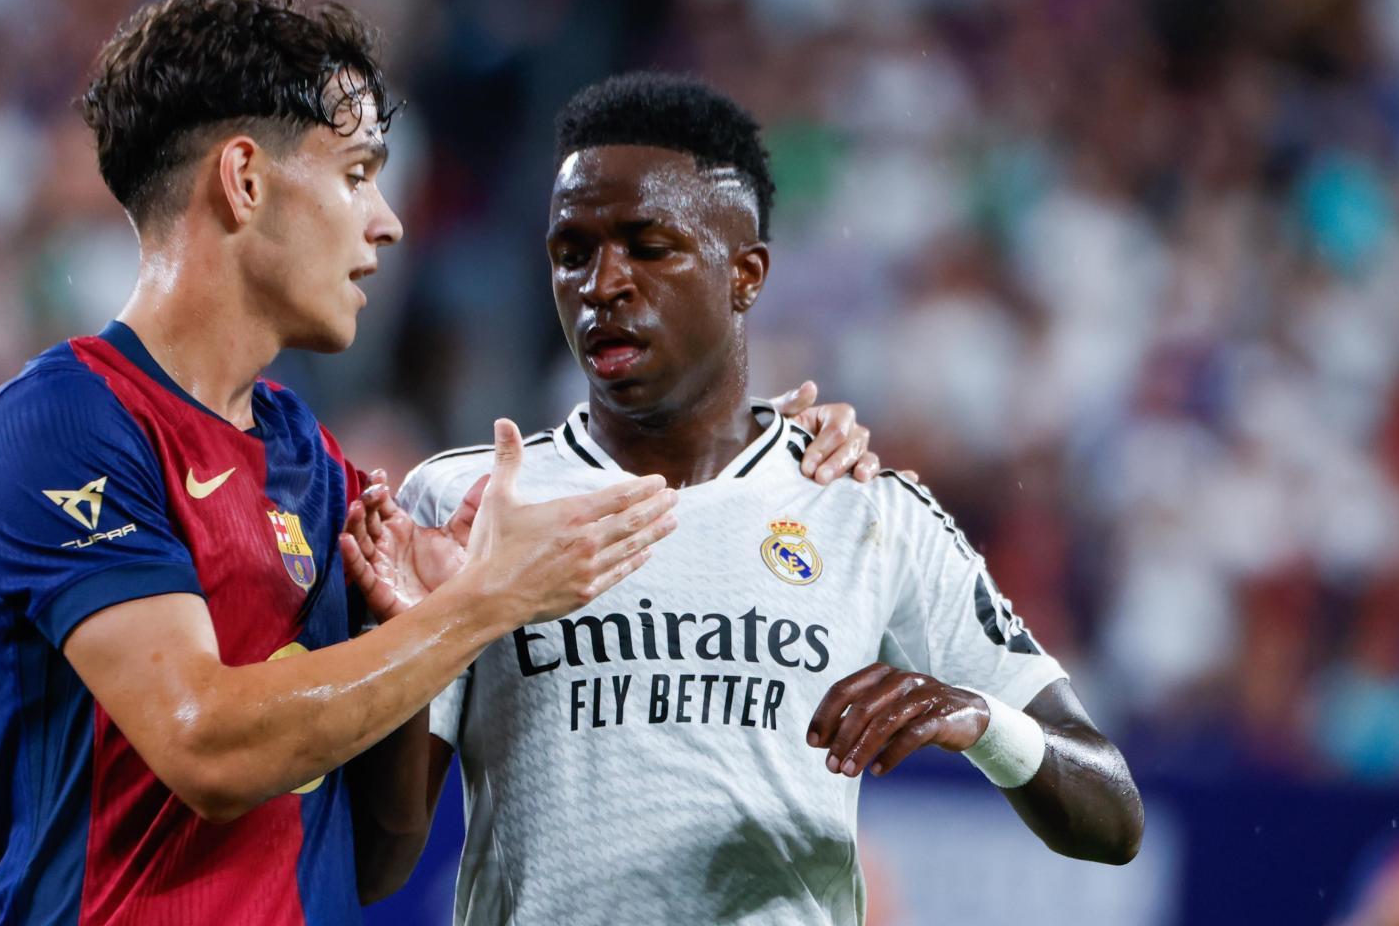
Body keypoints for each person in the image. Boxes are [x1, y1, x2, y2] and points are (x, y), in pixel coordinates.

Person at [0, 0, 872, 925]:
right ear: (245, 180)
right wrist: (478, 606)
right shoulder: (65, 425)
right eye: (356, 174)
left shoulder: (310, 463)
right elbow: (206, 748)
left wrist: (763, 454)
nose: (386, 221)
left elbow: (376, 858)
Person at [351, 72, 1145, 925]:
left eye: (648, 247)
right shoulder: (469, 500)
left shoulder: (863, 507)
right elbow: (379, 861)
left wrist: (982, 719)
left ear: (746, 275)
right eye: (572, 251)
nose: (601, 283)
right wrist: (416, 628)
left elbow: (1112, 815)